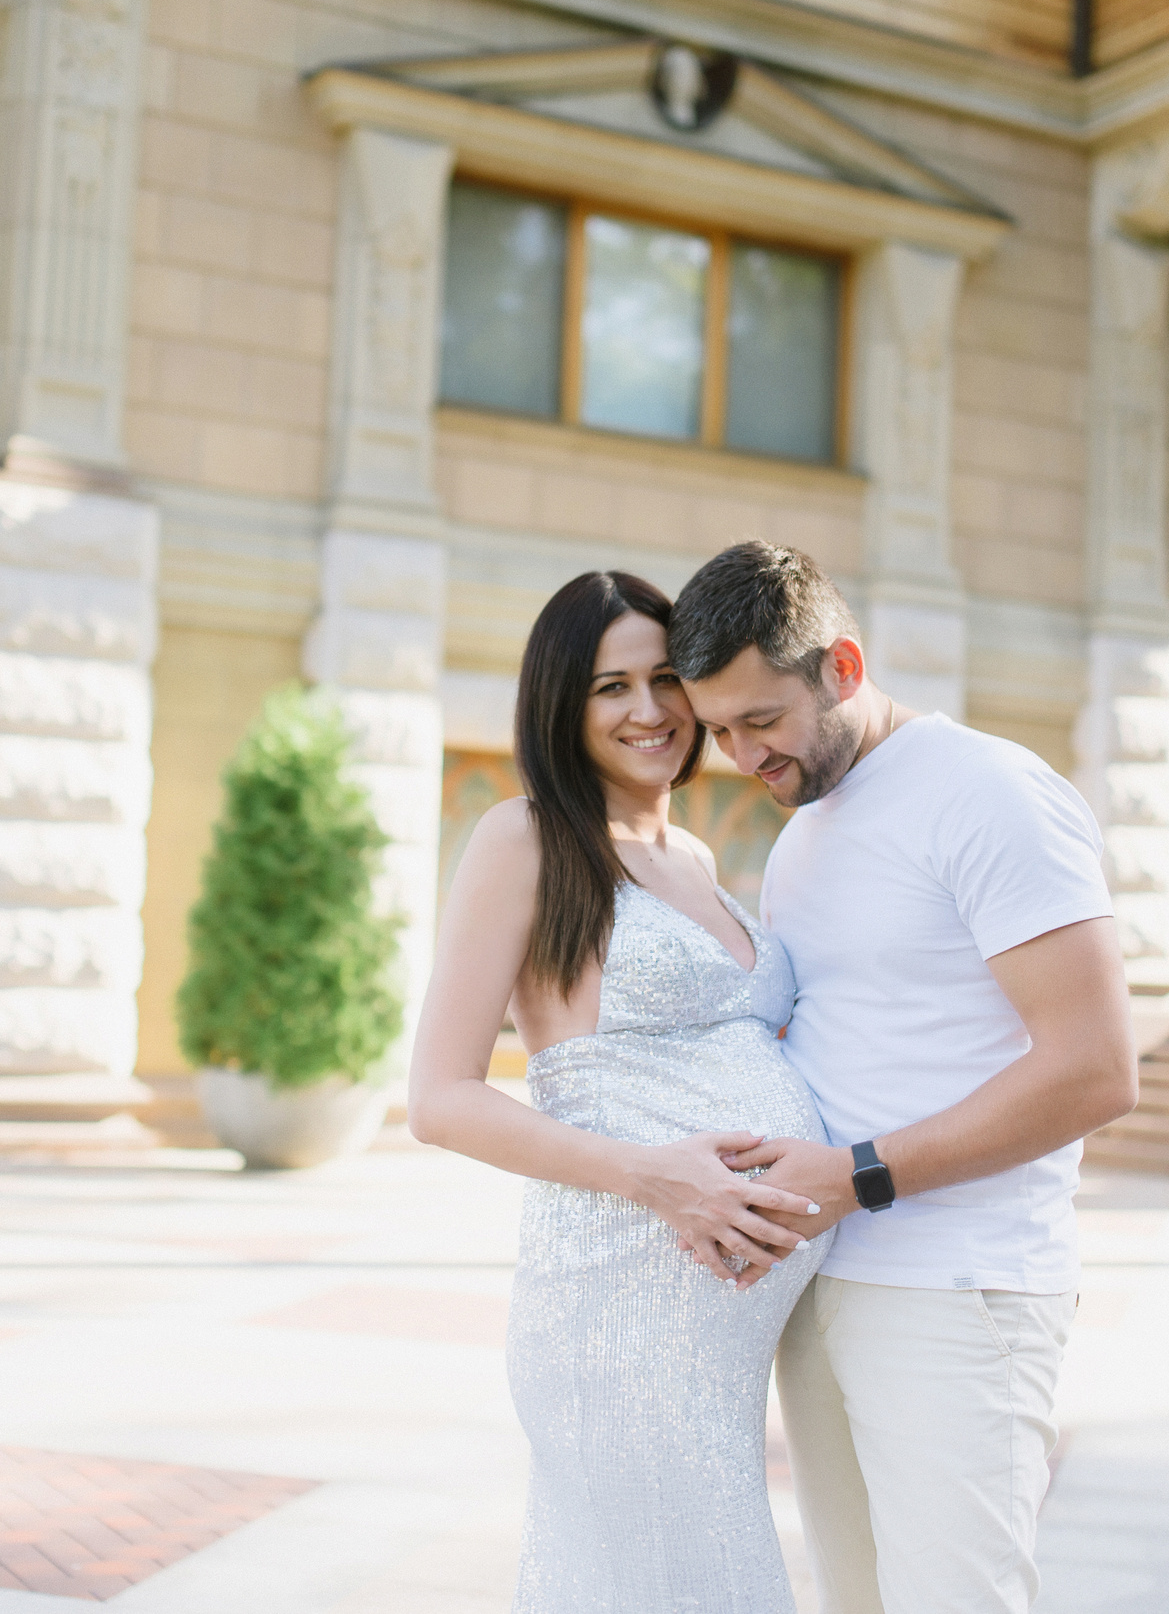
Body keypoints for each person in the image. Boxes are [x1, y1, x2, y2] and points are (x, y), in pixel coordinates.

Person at [669, 540, 1138, 1614]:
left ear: (841, 665)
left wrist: (859, 1174)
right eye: (721, 730)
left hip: (957, 1289)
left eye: (761, 720)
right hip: (824, 1279)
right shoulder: (803, 834)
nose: (743, 754)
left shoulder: (988, 791)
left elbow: (1096, 1067)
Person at [407, 568, 831, 1614]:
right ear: (562, 702)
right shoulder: (526, 837)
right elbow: (439, 1095)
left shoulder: (693, 850)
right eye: (609, 687)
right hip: (619, 1305)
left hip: (720, 1334)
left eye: (661, 680)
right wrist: (657, 1178)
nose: (646, 711)